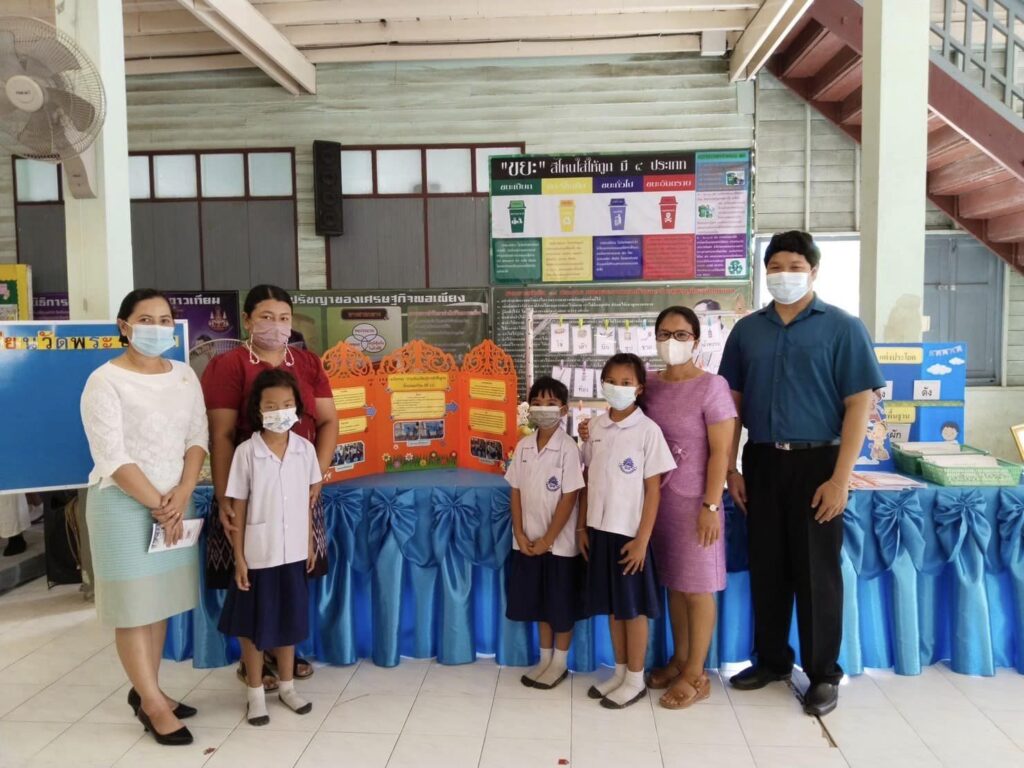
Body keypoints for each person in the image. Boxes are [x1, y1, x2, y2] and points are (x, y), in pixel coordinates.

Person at [719, 231, 883, 717]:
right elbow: (731, 405)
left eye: (794, 266)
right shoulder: (747, 331)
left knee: (817, 574)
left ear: (813, 271)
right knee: (767, 566)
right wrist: (730, 467)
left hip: (819, 464)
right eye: (775, 267)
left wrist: (840, 479)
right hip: (763, 461)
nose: (784, 275)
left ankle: (823, 673)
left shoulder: (843, 327)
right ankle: (772, 660)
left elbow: (860, 404)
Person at [80, 289, 208, 746]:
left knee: (158, 602)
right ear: (124, 326)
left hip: (176, 500)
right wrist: (160, 504)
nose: (157, 327)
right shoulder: (104, 380)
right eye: (146, 319)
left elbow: (198, 437)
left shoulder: (184, 375)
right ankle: (152, 704)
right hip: (123, 504)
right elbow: (112, 456)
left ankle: (148, 690)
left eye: (165, 319)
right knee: (134, 609)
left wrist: (183, 493)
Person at [202, 285, 338, 689]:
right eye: (265, 317)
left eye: (283, 318)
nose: (275, 326)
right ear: (247, 320)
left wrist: (316, 476)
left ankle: (284, 651)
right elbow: (222, 434)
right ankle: (255, 658)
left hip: (299, 484)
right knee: (252, 574)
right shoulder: (228, 365)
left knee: (292, 571)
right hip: (250, 488)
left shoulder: (308, 363)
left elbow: (329, 421)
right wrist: (225, 495)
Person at [642, 306, 737, 708]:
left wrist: (711, 505)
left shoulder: (712, 386)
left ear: (696, 341)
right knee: (675, 585)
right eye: (664, 334)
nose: (672, 342)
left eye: (681, 334)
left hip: (698, 502)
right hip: (658, 502)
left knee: (697, 589)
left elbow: (721, 452)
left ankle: (696, 675)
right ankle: (680, 660)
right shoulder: (649, 384)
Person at [219, 369, 320, 726]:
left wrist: (309, 543)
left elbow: (307, 502)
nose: (280, 412)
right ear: (258, 410)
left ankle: (288, 687)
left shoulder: (305, 450)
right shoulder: (247, 452)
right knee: (253, 625)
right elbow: (239, 506)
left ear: (298, 407)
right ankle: (255, 693)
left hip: (294, 551)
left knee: (290, 619)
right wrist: (239, 556)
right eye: (272, 406)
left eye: (287, 404)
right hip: (258, 552)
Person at [579, 353, 676, 709]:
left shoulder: (648, 431)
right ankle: (619, 672)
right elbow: (588, 479)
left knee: (632, 610)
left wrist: (642, 540)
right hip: (599, 530)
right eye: (611, 381)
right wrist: (582, 526)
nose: (618, 388)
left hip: (630, 535)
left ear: (639, 389)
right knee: (612, 606)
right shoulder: (595, 428)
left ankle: (635, 678)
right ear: (602, 384)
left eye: (626, 382)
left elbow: (654, 491)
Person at [506, 375, 586, 690]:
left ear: (563, 410)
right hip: (527, 541)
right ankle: (544, 659)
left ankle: (560, 663)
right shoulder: (523, 446)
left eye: (551, 403)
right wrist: (519, 532)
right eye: (537, 403)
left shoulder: (568, 448)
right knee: (539, 603)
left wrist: (548, 540)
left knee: (560, 605)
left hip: (559, 546)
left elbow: (570, 497)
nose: (543, 408)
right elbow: (515, 490)